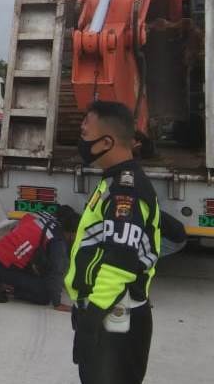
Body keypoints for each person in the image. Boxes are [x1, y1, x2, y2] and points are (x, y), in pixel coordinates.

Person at [65, 100, 160, 384]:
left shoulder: (124, 190)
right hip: (107, 312)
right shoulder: (114, 181)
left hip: (114, 317)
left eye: (85, 134)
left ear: (106, 142)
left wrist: (93, 317)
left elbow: (120, 262)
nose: (81, 141)